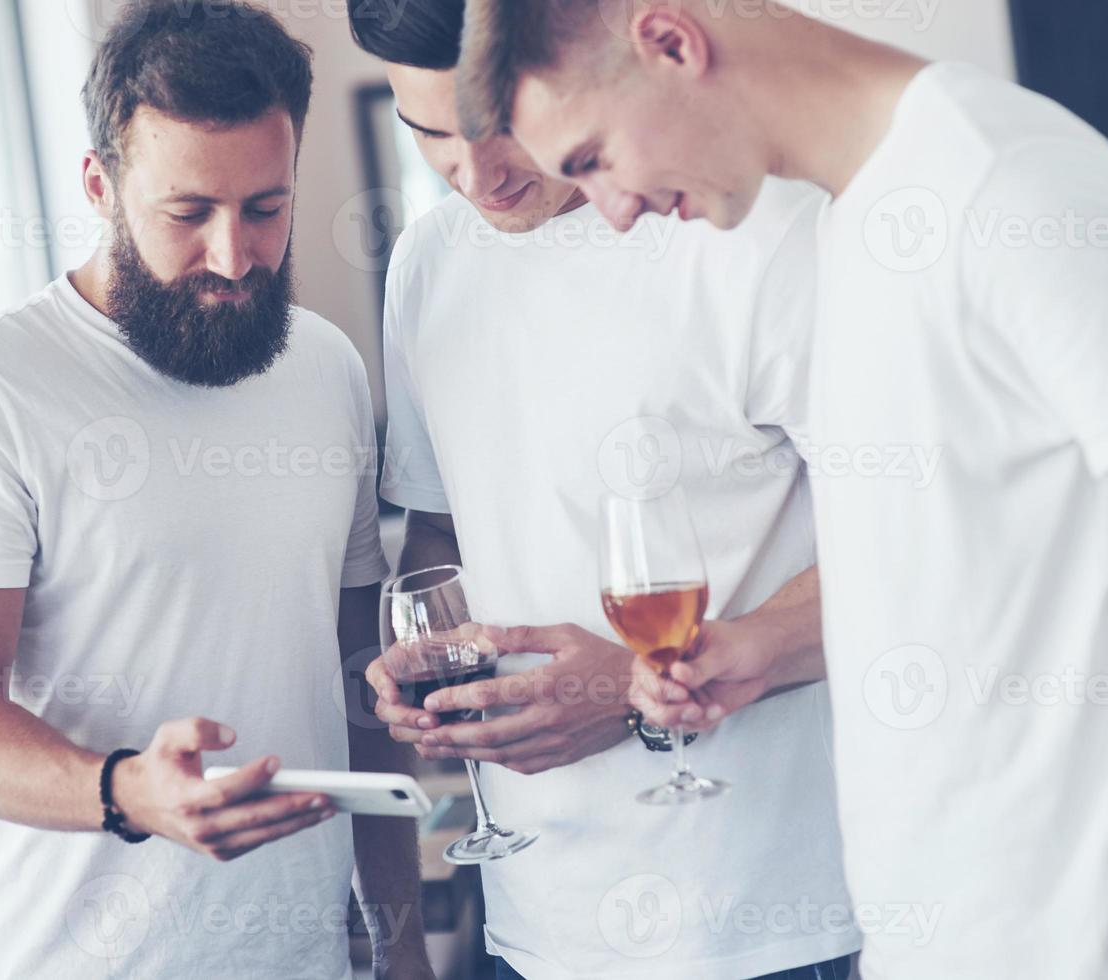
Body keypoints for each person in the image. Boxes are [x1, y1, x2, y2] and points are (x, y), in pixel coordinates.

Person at [453, 2, 1108, 978]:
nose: (610, 207)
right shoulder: (860, 219)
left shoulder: (1002, 177)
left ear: (671, 42)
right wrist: (752, 649)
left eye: (588, 158)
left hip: (1095, 938)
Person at [0, 3, 432, 977]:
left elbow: (356, 680)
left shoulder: (326, 368)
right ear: (101, 183)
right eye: (187, 213)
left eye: (266, 206)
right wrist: (131, 790)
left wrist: (398, 934)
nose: (233, 254)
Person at [347, 3, 861, 977]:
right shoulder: (427, 263)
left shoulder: (759, 225)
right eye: (432, 139)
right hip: (532, 918)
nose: (477, 174)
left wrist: (633, 690)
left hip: (771, 917)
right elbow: (441, 531)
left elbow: (908, 551)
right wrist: (426, 666)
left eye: (494, 124)